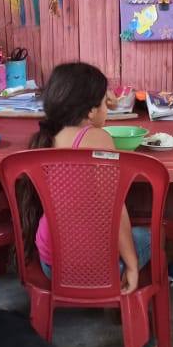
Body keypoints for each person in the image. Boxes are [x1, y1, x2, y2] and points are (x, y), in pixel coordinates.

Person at [23, 62, 151, 292]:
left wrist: (100, 98)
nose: (107, 108)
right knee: (150, 236)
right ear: (91, 111)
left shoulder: (45, 139)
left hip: (51, 266)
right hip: (94, 268)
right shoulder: (98, 139)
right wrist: (132, 266)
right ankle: (127, 298)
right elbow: (114, 210)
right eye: (104, 102)